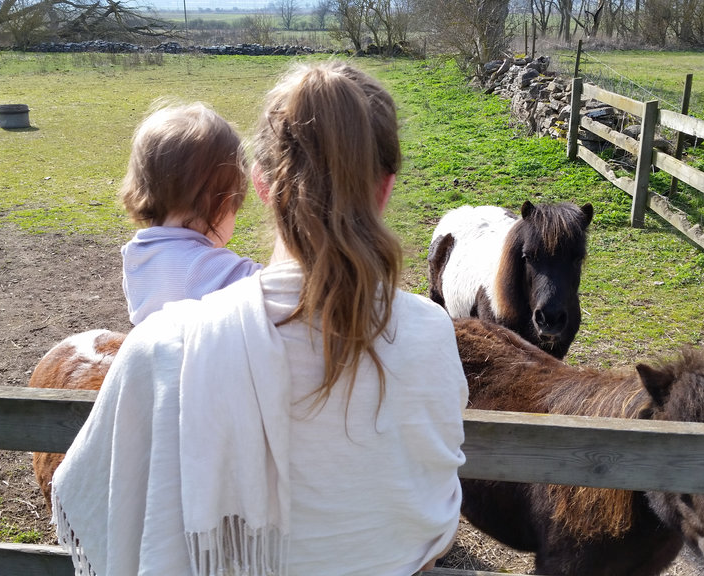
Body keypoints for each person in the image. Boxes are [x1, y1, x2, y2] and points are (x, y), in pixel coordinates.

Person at [51, 61, 467, 576]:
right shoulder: (432, 333)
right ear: (385, 188)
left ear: (263, 185)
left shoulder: (163, 349)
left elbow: (95, 510)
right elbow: (430, 517)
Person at [118, 102, 262, 325]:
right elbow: (280, 291)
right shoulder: (204, 266)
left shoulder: (136, 254)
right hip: (196, 360)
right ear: (223, 202)